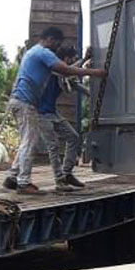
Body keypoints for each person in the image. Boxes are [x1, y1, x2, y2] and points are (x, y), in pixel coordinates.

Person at [4, 27, 104, 194]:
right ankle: (24, 183)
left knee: (28, 141)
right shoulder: (43, 53)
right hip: (26, 103)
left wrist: (85, 61)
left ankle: (13, 177)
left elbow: (65, 71)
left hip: (22, 102)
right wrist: (93, 72)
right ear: (50, 39)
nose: (57, 48)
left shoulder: (34, 52)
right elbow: (66, 70)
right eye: (57, 44)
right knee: (31, 143)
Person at [37, 46, 87, 192]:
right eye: (71, 59)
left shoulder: (63, 75)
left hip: (53, 112)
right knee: (53, 146)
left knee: (73, 137)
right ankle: (59, 181)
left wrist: (91, 93)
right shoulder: (52, 68)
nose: (71, 62)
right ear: (65, 58)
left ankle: (67, 173)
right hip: (41, 113)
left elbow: (74, 83)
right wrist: (84, 60)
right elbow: (68, 70)